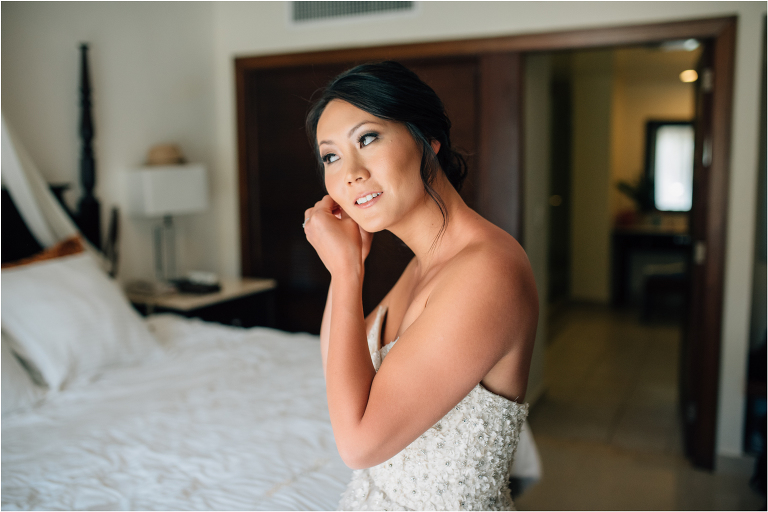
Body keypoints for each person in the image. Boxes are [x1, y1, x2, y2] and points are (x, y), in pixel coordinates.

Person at [302, 61, 538, 511]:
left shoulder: (487, 271)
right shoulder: (426, 263)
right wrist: (346, 267)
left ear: (427, 140)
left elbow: (358, 445)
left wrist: (348, 273)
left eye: (367, 138)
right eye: (331, 156)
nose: (348, 172)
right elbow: (337, 357)